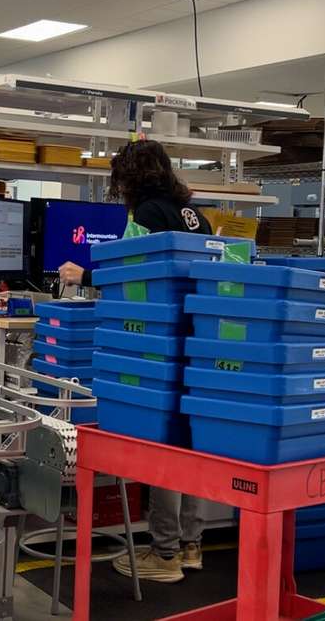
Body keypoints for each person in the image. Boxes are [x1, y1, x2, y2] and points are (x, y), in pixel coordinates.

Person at [57, 139, 212, 584]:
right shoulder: (194, 215)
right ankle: (191, 546)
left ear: (128, 179)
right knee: (190, 443)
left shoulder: (146, 213)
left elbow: (132, 274)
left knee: (161, 447)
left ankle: (164, 555)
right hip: (196, 341)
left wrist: (84, 275)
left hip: (157, 342)